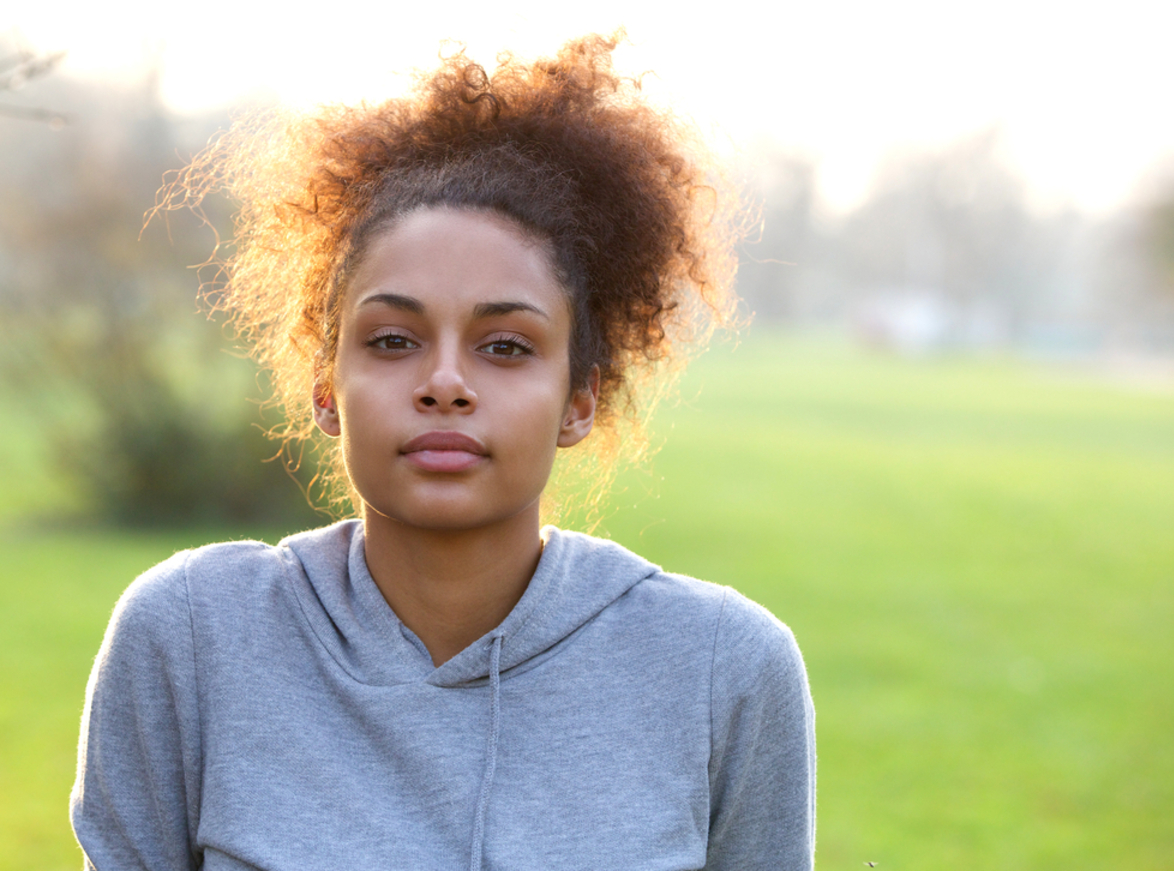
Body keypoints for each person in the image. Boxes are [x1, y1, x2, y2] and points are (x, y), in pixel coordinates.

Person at [70, 33, 815, 871]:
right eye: (393, 339)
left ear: (581, 400)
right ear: (326, 388)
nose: (447, 382)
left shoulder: (723, 668)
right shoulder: (193, 634)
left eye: (505, 346)